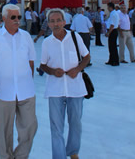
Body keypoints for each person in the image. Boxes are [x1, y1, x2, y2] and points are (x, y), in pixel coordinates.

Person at [0, 4, 38, 159]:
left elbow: (31, 62)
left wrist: (27, 80)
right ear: (4, 18)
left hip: (26, 91)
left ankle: (20, 156)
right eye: (13, 17)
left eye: (18, 17)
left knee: (30, 126)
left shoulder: (26, 37)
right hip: (2, 92)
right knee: (3, 131)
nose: (17, 20)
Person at [40, 8, 90, 159]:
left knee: (76, 124)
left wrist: (78, 69)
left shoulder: (75, 37)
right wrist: (53, 71)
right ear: (48, 24)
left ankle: (73, 152)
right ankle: (59, 156)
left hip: (75, 89)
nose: (56, 24)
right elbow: (43, 65)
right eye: (52, 21)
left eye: (58, 20)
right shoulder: (47, 43)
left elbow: (86, 57)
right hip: (55, 89)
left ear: (64, 22)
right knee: (56, 127)